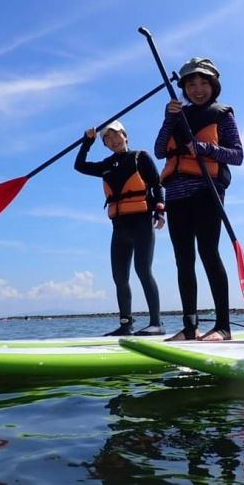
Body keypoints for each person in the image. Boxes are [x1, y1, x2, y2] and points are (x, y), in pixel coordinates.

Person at [154, 58, 244, 341]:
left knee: (208, 254)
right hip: (176, 196)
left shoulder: (222, 114)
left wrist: (205, 147)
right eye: (191, 84)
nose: (198, 89)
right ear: (184, 88)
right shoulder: (176, 115)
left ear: (214, 85)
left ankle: (223, 327)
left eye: (204, 83)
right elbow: (159, 151)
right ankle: (191, 326)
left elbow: (237, 155)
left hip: (207, 191)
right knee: (183, 260)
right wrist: (169, 119)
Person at [74, 120, 166, 336]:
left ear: (125, 136)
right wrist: (87, 143)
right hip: (119, 228)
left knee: (143, 271)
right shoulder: (105, 165)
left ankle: (157, 323)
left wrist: (160, 210)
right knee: (119, 277)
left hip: (142, 223)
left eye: (116, 135)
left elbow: (157, 185)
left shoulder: (140, 157)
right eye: (107, 139)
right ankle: (126, 324)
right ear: (104, 144)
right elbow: (79, 166)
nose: (113, 140)